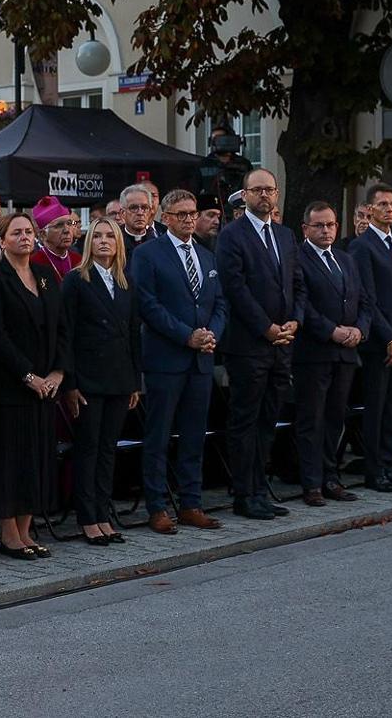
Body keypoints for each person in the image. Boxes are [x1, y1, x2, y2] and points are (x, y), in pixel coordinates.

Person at [129, 190, 225, 534]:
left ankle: (191, 502)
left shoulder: (206, 255)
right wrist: (187, 335)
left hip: (200, 360)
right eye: (180, 214)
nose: (188, 219)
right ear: (164, 217)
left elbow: (220, 303)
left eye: (192, 213)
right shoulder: (147, 254)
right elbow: (148, 304)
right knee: (158, 437)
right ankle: (157, 506)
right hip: (166, 359)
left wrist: (211, 333)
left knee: (194, 435)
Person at [0, 213, 67, 558]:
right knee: (10, 461)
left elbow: (61, 325)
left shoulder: (44, 275)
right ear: (2, 239)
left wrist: (58, 372)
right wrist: (28, 376)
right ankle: (9, 533)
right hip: (9, 387)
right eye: (17, 232)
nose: (24, 237)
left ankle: (27, 531)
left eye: (29, 232)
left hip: (46, 387)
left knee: (37, 459)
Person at [217, 168, 302, 519]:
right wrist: (266, 327)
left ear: (277, 194)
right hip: (249, 343)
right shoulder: (232, 236)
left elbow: (297, 282)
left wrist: (295, 320)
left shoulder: (284, 234)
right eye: (257, 190)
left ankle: (260, 488)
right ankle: (244, 493)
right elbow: (235, 289)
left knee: (269, 419)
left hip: (283, 343)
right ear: (245, 195)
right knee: (245, 420)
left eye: (270, 190)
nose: (264, 196)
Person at [59, 218, 139, 542]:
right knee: (88, 449)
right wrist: (71, 384)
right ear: (89, 242)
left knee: (108, 449)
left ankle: (104, 514)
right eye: (98, 236)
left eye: (110, 236)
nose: (104, 241)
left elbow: (134, 334)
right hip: (89, 379)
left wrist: (135, 380)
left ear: (118, 243)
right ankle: (87, 517)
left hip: (120, 378)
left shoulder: (125, 282)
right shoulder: (76, 280)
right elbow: (67, 334)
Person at [291, 202, 371, 505]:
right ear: (306, 229)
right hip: (314, 352)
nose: (326, 230)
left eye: (331, 225)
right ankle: (311, 483)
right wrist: (330, 330)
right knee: (312, 419)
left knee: (337, 417)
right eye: (319, 226)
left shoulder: (345, 259)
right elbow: (303, 304)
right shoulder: (298, 259)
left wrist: (359, 330)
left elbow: (364, 300)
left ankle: (330, 476)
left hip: (346, 352)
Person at [347, 184, 392, 491]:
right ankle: (374, 468)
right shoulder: (362, 247)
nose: (389, 209)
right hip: (380, 342)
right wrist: (388, 336)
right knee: (376, 407)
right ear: (370, 210)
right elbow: (367, 298)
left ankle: (390, 465)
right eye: (383, 205)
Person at [29, 197, 79, 279]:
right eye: (59, 225)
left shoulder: (79, 261)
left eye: (69, 223)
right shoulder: (33, 263)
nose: (67, 230)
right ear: (43, 235)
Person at [118, 184, 161, 252]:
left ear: (150, 212)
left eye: (144, 208)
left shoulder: (158, 241)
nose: (140, 213)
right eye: (133, 208)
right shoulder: (115, 239)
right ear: (123, 213)